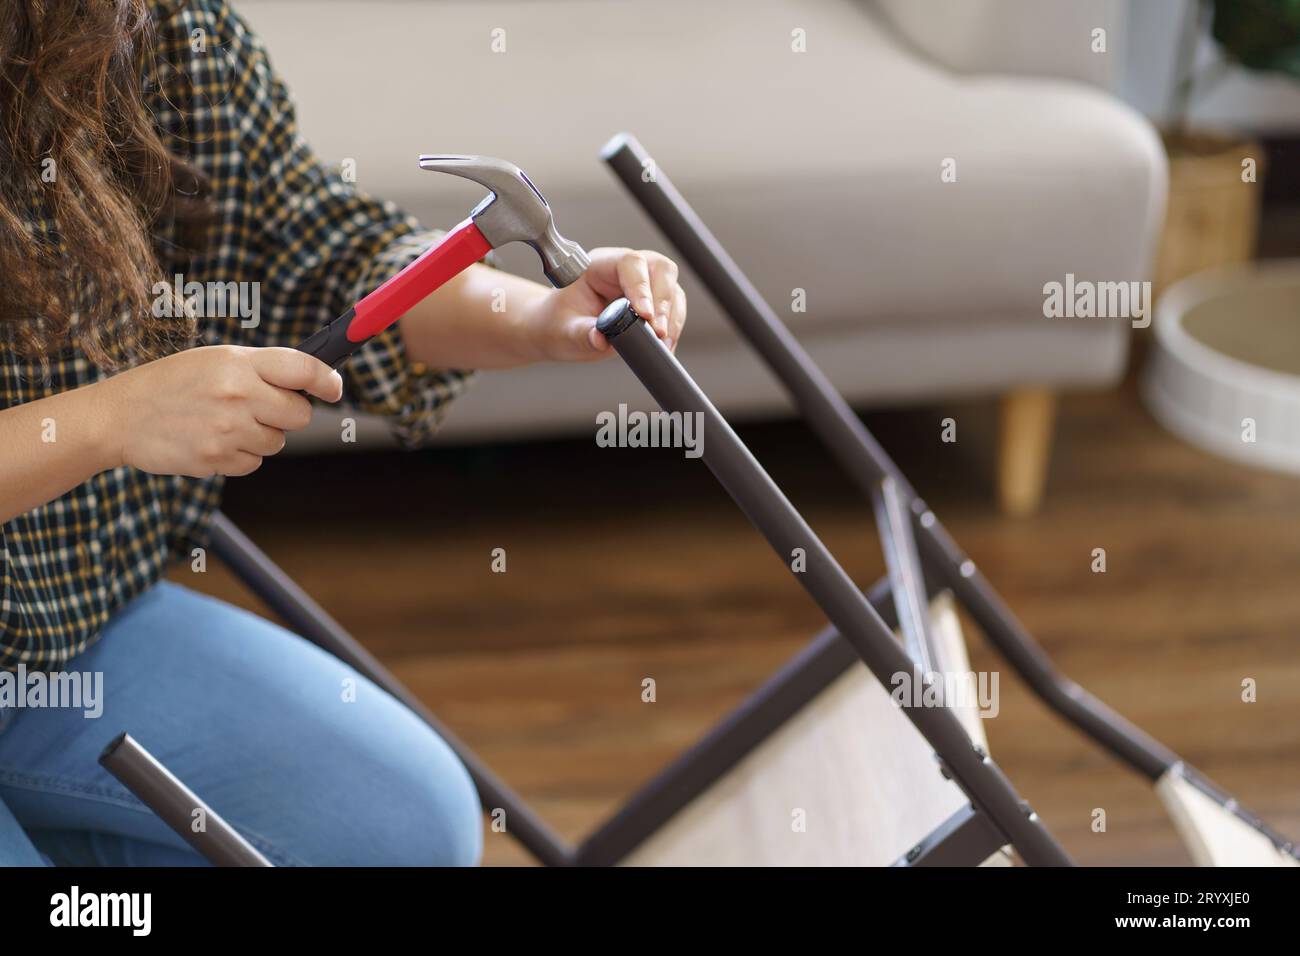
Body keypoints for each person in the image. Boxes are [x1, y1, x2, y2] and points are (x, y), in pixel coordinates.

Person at [0, 0, 686, 866]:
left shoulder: (154, 30)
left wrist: (540, 316)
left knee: (403, 828)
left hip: (62, 637)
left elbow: (325, 256)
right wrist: (108, 421)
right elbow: (114, 417)